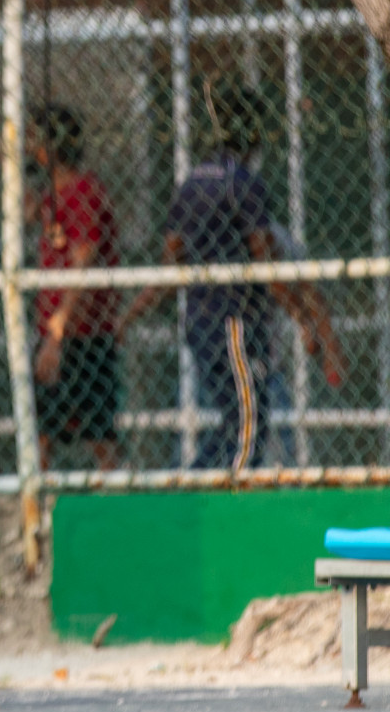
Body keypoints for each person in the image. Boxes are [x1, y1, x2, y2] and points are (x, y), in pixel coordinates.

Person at [121, 81, 342, 470]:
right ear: (252, 131)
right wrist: (303, 320)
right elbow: (264, 264)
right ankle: (228, 499)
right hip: (235, 320)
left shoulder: (190, 185)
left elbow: (170, 265)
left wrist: (126, 316)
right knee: (248, 424)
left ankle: (195, 486)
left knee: (232, 421)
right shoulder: (244, 184)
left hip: (200, 321)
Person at [29, 104, 122, 471]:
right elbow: (25, 213)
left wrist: (58, 330)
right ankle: (40, 515)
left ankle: (118, 507)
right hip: (55, 331)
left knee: (99, 434)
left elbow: (84, 259)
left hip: (80, 335)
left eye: (36, 139)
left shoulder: (83, 190)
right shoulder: (52, 192)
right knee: (43, 432)